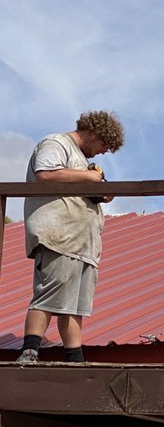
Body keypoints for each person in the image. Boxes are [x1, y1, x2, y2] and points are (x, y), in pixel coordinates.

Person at [16, 110, 125, 363]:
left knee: (75, 305)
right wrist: (89, 177)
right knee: (48, 294)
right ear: (94, 132)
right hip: (58, 236)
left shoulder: (80, 159)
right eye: (103, 144)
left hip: (83, 243)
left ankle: (75, 359)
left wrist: (101, 192)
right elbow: (45, 173)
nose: (102, 151)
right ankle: (29, 352)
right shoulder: (57, 143)